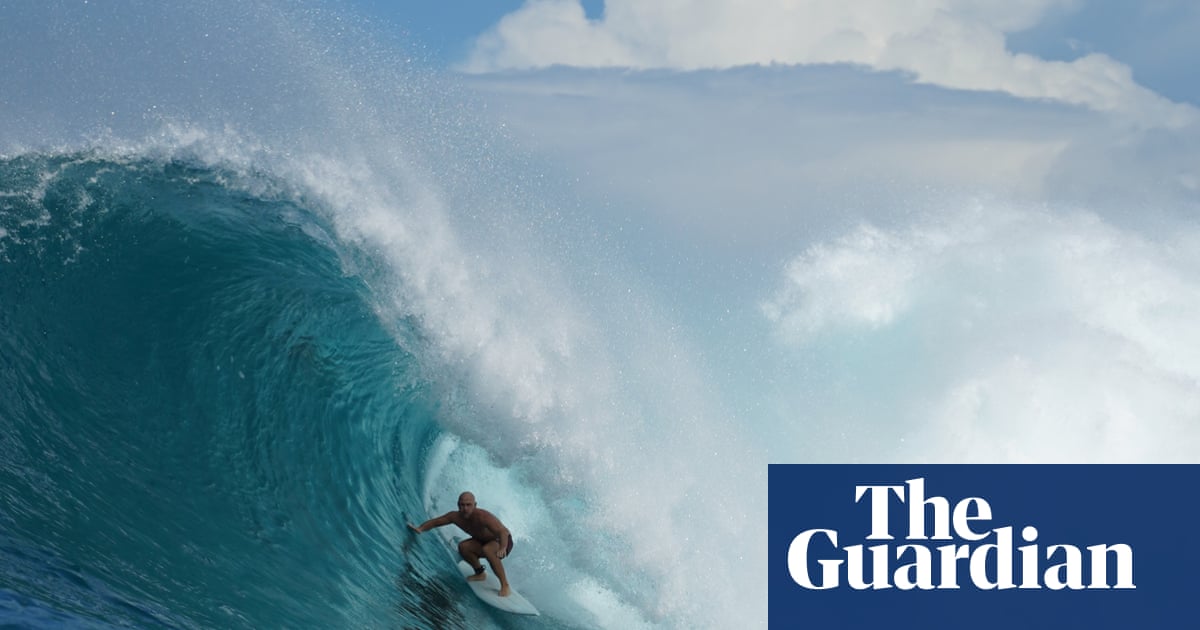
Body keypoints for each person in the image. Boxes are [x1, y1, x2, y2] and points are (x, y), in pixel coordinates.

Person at [409, 492, 514, 597]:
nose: (465, 508)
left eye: (468, 505)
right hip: (482, 541)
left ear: (475, 505)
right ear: (458, 505)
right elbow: (435, 522)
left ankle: (505, 585)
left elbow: (503, 532)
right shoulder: (455, 517)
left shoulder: (483, 517)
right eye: (462, 505)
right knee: (464, 547)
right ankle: (480, 573)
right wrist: (420, 528)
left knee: (488, 550)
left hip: (502, 541)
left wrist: (503, 547)